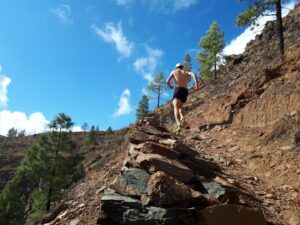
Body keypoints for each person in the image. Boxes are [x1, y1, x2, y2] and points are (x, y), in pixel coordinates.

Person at [166, 63, 199, 132]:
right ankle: (183, 119)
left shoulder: (174, 72)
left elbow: (167, 81)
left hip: (178, 89)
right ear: (182, 67)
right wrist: (196, 83)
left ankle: (178, 124)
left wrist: (170, 86)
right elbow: (193, 74)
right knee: (180, 107)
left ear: (176, 67)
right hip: (185, 91)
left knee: (176, 107)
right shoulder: (185, 72)